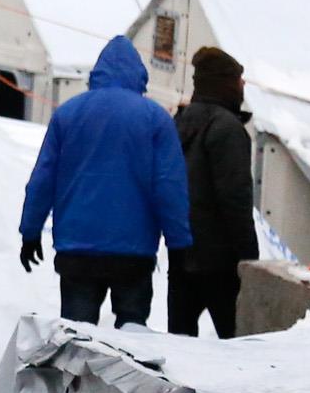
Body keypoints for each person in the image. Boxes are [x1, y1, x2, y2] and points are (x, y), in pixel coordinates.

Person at [17, 33, 191, 328]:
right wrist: (179, 242)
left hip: (78, 251)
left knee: (78, 337)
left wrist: (30, 232)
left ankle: (77, 376)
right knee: (132, 338)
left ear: (96, 74)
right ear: (140, 76)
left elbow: (43, 179)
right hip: (133, 253)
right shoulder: (155, 119)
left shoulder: (68, 114)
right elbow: (169, 185)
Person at [168, 44, 257, 338]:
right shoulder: (227, 129)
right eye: (237, 78)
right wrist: (248, 257)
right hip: (219, 259)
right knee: (236, 347)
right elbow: (235, 198)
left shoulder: (179, 122)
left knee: (180, 348)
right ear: (224, 83)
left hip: (181, 253)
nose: (243, 84)